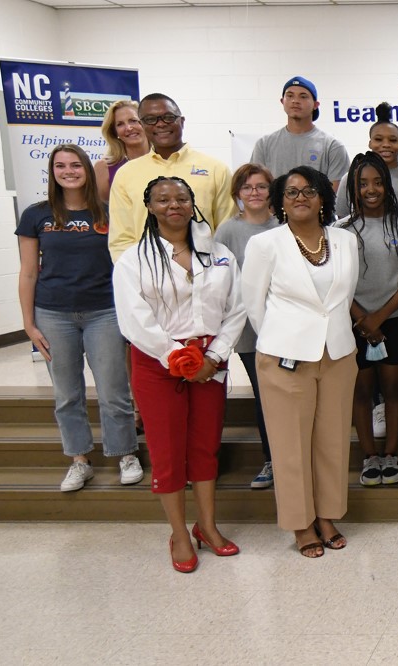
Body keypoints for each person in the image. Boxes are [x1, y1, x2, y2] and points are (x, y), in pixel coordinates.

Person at [113, 175, 247, 572]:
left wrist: (214, 356)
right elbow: (133, 320)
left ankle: (207, 526)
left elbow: (236, 309)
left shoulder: (220, 254)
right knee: (168, 453)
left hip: (210, 361)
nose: (174, 205)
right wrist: (177, 357)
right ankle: (179, 534)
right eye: (163, 199)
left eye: (182, 198)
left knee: (205, 448)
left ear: (193, 204)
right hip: (157, 364)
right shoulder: (133, 260)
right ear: (149, 206)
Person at [239, 166, 360, 559]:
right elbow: (254, 306)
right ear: (280, 202)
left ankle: (327, 516)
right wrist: (284, 338)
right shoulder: (265, 244)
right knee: (290, 446)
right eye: (291, 193)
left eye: (309, 190)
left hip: (338, 354)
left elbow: (343, 296)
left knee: (332, 442)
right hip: (284, 358)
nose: (301, 197)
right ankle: (301, 523)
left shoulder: (344, 240)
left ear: (324, 197)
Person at [17, 144, 140, 493]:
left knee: (113, 391)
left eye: (75, 165)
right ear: (52, 172)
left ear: (87, 170)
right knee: (67, 394)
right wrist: (29, 323)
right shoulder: (36, 215)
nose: (68, 171)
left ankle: (125, 454)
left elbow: (126, 266)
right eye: (60, 166)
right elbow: (28, 273)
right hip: (54, 314)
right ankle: (79, 460)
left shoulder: (107, 213)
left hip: (105, 311)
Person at [338, 153, 398, 488]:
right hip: (355, 322)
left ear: (387, 186)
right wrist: (363, 319)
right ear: (352, 189)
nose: (370, 189)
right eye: (362, 184)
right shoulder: (341, 231)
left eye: (377, 182)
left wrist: (380, 318)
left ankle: (391, 455)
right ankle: (369, 456)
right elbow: (337, 284)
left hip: (395, 321)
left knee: (393, 389)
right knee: (361, 391)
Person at [212, 163, 279, 489]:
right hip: (249, 331)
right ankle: (273, 459)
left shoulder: (284, 224)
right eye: (247, 187)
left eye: (261, 186)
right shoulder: (227, 232)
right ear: (237, 193)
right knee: (265, 394)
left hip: (286, 326)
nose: (254, 192)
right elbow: (219, 281)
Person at [109, 93, 235, 261]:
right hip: (147, 276)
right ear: (142, 125)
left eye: (168, 117)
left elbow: (226, 232)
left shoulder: (215, 169)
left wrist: (215, 273)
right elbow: (121, 239)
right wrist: (137, 275)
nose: (161, 124)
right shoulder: (126, 174)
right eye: (150, 119)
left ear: (182, 121)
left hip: (205, 274)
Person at [250, 76, 350, 192]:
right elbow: (257, 188)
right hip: (274, 210)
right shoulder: (264, 145)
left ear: (315, 105)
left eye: (303, 96)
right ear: (282, 101)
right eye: (290, 95)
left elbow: (336, 196)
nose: (295, 101)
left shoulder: (332, 146)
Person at [335, 102, 398, 219]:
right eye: (379, 139)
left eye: (392, 140)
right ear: (370, 143)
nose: (386, 145)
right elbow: (342, 218)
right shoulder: (351, 177)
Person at [93, 100, 150, 202]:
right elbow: (103, 211)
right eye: (120, 124)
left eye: (133, 120)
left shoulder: (165, 159)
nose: (128, 128)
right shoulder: (104, 167)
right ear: (115, 132)